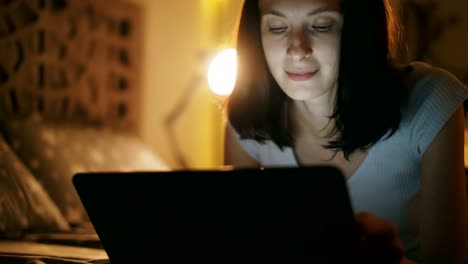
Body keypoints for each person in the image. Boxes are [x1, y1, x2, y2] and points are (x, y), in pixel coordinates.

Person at [223, 0, 468, 263]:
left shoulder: (430, 103)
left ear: (357, 29)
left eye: (321, 25)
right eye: (278, 27)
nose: (297, 49)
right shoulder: (248, 122)